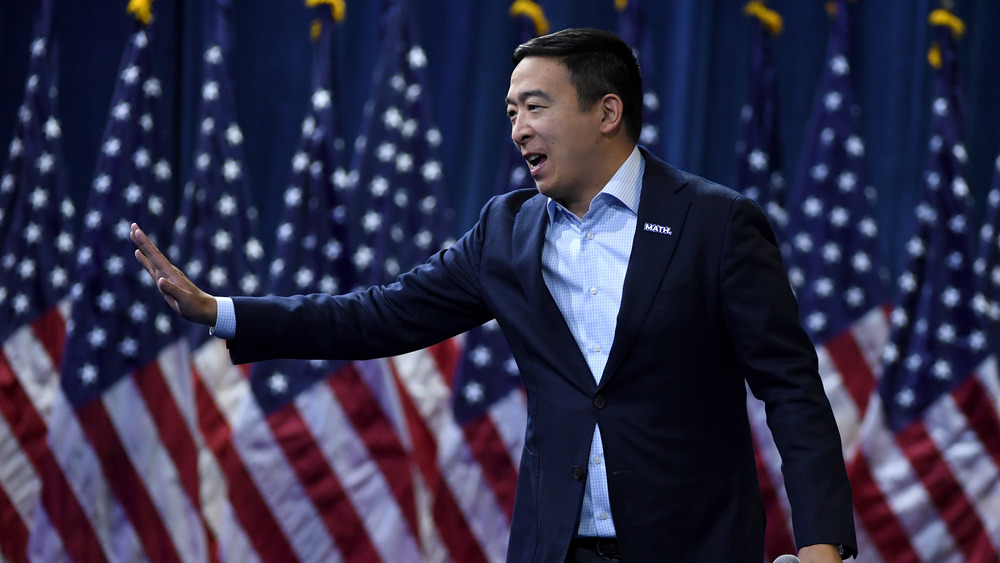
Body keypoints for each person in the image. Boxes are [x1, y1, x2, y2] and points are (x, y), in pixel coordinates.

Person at [132, 27, 856, 562]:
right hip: (554, 547)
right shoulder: (505, 232)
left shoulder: (715, 223)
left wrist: (823, 542)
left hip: (693, 545)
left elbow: (791, 386)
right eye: (510, 112)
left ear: (607, 112)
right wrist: (221, 310)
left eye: (534, 107)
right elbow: (379, 313)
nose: (517, 129)